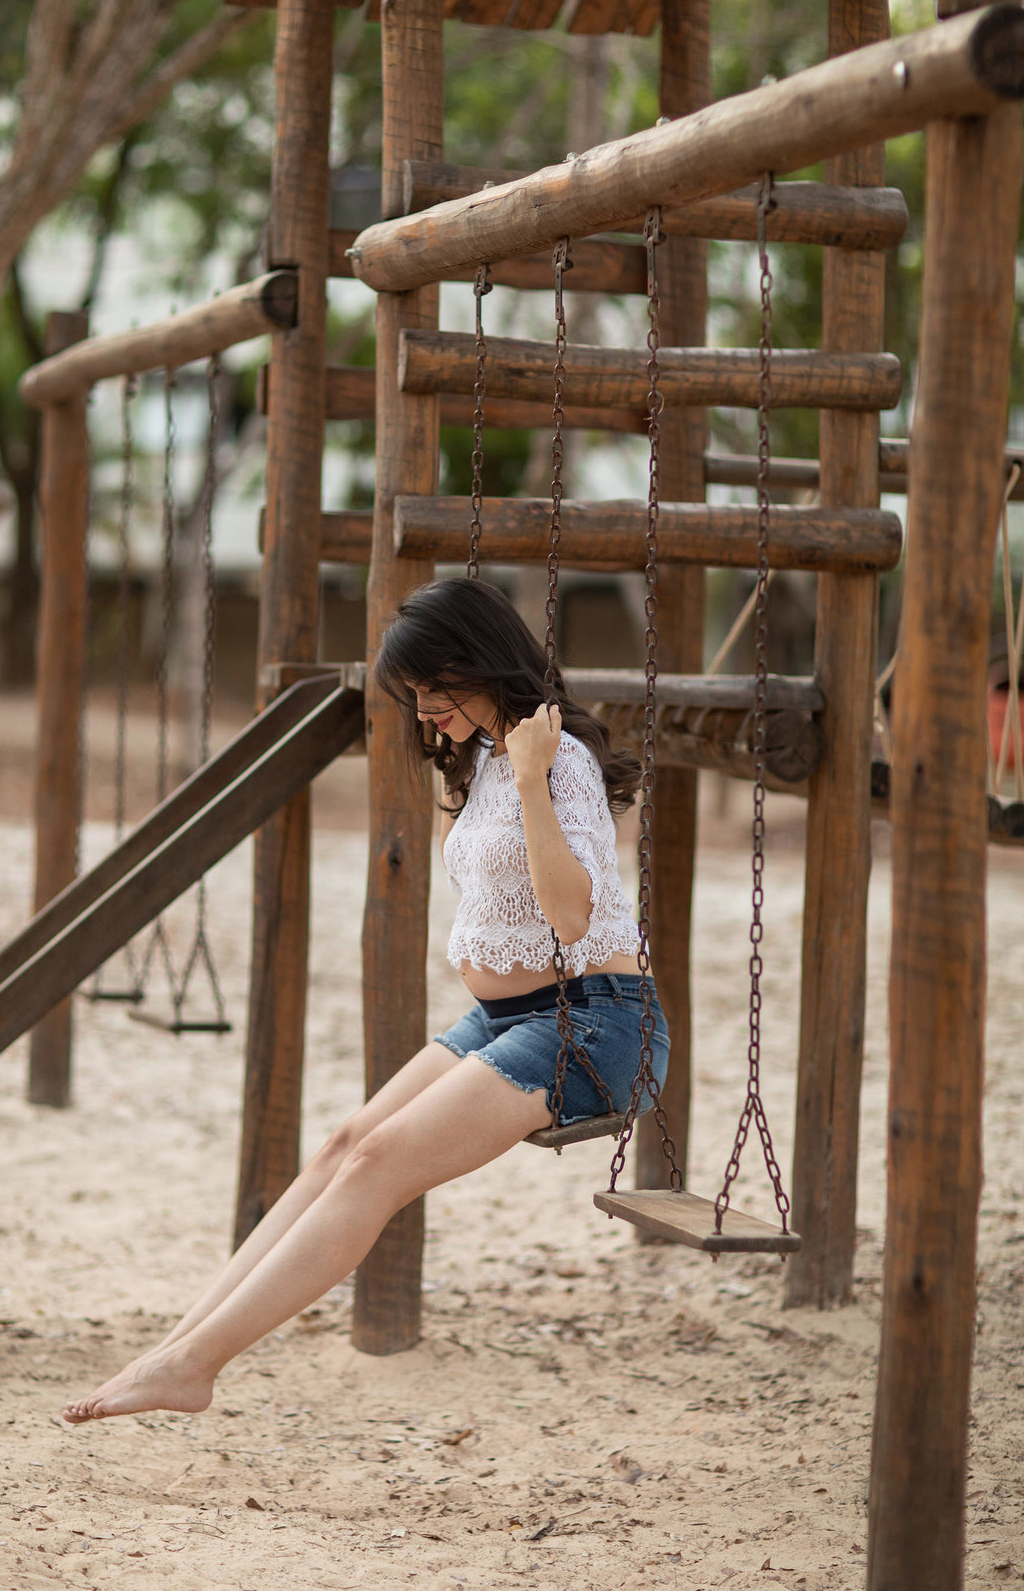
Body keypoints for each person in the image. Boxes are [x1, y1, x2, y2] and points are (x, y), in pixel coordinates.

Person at [63, 577, 669, 1425]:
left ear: (481, 664)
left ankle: (195, 1365)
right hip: (514, 1018)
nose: (425, 713)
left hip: (595, 1022)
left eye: (432, 690)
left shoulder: (553, 759)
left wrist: (533, 779)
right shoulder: (493, 757)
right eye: (415, 696)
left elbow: (571, 917)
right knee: (344, 1143)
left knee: (375, 1165)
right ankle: (176, 1347)